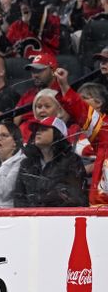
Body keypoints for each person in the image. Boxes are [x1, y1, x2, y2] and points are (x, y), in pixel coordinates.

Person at [55, 68, 108, 206]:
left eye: (85, 97)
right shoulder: (104, 129)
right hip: (101, 208)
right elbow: (81, 110)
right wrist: (64, 86)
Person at [14, 116, 88, 207]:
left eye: (44, 129)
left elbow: (73, 198)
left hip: (59, 218)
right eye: (36, 130)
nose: (38, 132)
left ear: (58, 134)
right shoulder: (27, 163)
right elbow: (18, 198)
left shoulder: (72, 161)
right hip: (29, 219)